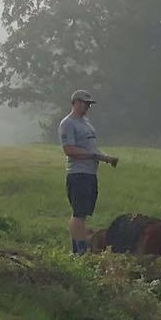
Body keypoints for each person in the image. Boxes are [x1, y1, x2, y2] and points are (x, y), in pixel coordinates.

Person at [59, 90, 119, 255]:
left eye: (89, 104)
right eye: (85, 103)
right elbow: (69, 149)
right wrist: (93, 156)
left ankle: (77, 249)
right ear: (75, 102)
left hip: (90, 173)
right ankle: (80, 250)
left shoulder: (86, 123)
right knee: (78, 213)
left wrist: (105, 158)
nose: (88, 107)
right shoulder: (68, 124)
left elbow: (92, 148)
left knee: (83, 213)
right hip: (78, 173)